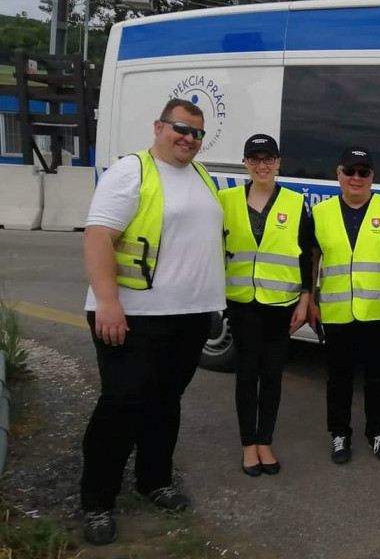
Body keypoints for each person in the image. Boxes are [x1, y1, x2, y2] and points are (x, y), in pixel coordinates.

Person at [79, 99, 225, 546]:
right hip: (135, 315)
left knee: (166, 402)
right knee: (123, 405)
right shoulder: (131, 172)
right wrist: (107, 302)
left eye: (198, 133)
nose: (190, 139)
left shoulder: (200, 175)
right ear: (159, 126)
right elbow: (99, 235)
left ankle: (154, 480)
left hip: (190, 316)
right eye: (182, 129)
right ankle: (97, 501)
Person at [218, 134, 313, 477]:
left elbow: (306, 255)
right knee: (247, 374)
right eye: (254, 159)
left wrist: (305, 298)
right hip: (241, 303)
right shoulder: (225, 199)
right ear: (245, 163)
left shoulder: (294, 202)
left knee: (272, 374)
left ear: (278, 163)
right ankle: (248, 446)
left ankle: (265, 441)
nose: (262, 166)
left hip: (281, 303)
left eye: (268, 159)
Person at [308, 147, 380, 465]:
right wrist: (311, 299)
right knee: (339, 378)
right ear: (339, 173)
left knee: (378, 376)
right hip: (336, 311)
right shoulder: (320, 213)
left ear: (372, 176)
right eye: (350, 171)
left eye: (363, 172)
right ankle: (339, 434)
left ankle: (377, 432)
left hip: (378, 310)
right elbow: (312, 258)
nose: (356, 178)